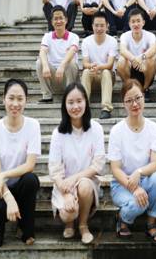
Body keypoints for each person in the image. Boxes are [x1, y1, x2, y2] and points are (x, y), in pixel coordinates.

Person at [0, 79, 41, 247]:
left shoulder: (33, 126)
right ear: (4, 99)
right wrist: (9, 198)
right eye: (11, 98)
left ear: (26, 101)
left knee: (31, 179)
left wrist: (4, 175)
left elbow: (29, 165)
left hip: (19, 183)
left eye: (20, 99)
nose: (15, 104)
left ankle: (25, 228)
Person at [108, 80, 156, 245]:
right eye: (129, 100)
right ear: (123, 104)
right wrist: (134, 188)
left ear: (143, 97)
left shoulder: (154, 128)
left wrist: (138, 173)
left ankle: (151, 223)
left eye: (138, 98)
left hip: (145, 179)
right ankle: (122, 218)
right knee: (139, 204)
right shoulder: (117, 131)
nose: (135, 104)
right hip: (122, 184)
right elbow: (115, 169)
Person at [48, 83, 105, 244]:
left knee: (84, 185)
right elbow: (55, 170)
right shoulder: (58, 133)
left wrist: (74, 179)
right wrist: (66, 193)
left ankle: (83, 225)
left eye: (79, 101)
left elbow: (98, 164)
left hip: (87, 183)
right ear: (64, 105)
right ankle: (69, 223)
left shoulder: (96, 128)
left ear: (86, 102)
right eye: (70, 102)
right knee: (68, 214)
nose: (75, 106)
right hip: (63, 185)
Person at [36, 6, 79, 103]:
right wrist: (45, 66)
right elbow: (42, 51)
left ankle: (69, 95)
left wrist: (62, 66)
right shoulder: (47, 36)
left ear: (66, 20)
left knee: (71, 63)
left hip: (68, 78)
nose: (58, 21)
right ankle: (47, 96)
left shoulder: (73, 37)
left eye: (61, 18)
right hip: (53, 77)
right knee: (39, 62)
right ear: (51, 22)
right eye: (55, 19)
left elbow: (72, 50)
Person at [81, 11, 118, 119]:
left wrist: (98, 67)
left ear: (107, 26)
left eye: (102, 25)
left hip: (108, 77)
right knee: (86, 71)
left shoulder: (112, 41)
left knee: (106, 71)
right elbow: (85, 63)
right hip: (92, 74)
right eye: (96, 25)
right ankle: (84, 108)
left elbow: (110, 65)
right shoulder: (86, 41)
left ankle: (106, 108)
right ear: (92, 26)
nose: (99, 28)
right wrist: (92, 67)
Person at [116, 8, 156, 102]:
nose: (136, 24)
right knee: (121, 61)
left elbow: (153, 49)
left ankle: (145, 89)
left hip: (145, 70)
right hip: (131, 70)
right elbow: (122, 50)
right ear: (129, 24)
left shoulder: (150, 35)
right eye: (133, 21)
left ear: (143, 22)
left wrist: (141, 57)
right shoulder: (125, 36)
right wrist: (134, 59)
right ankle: (129, 88)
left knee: (152, 59)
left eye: (138, 21)